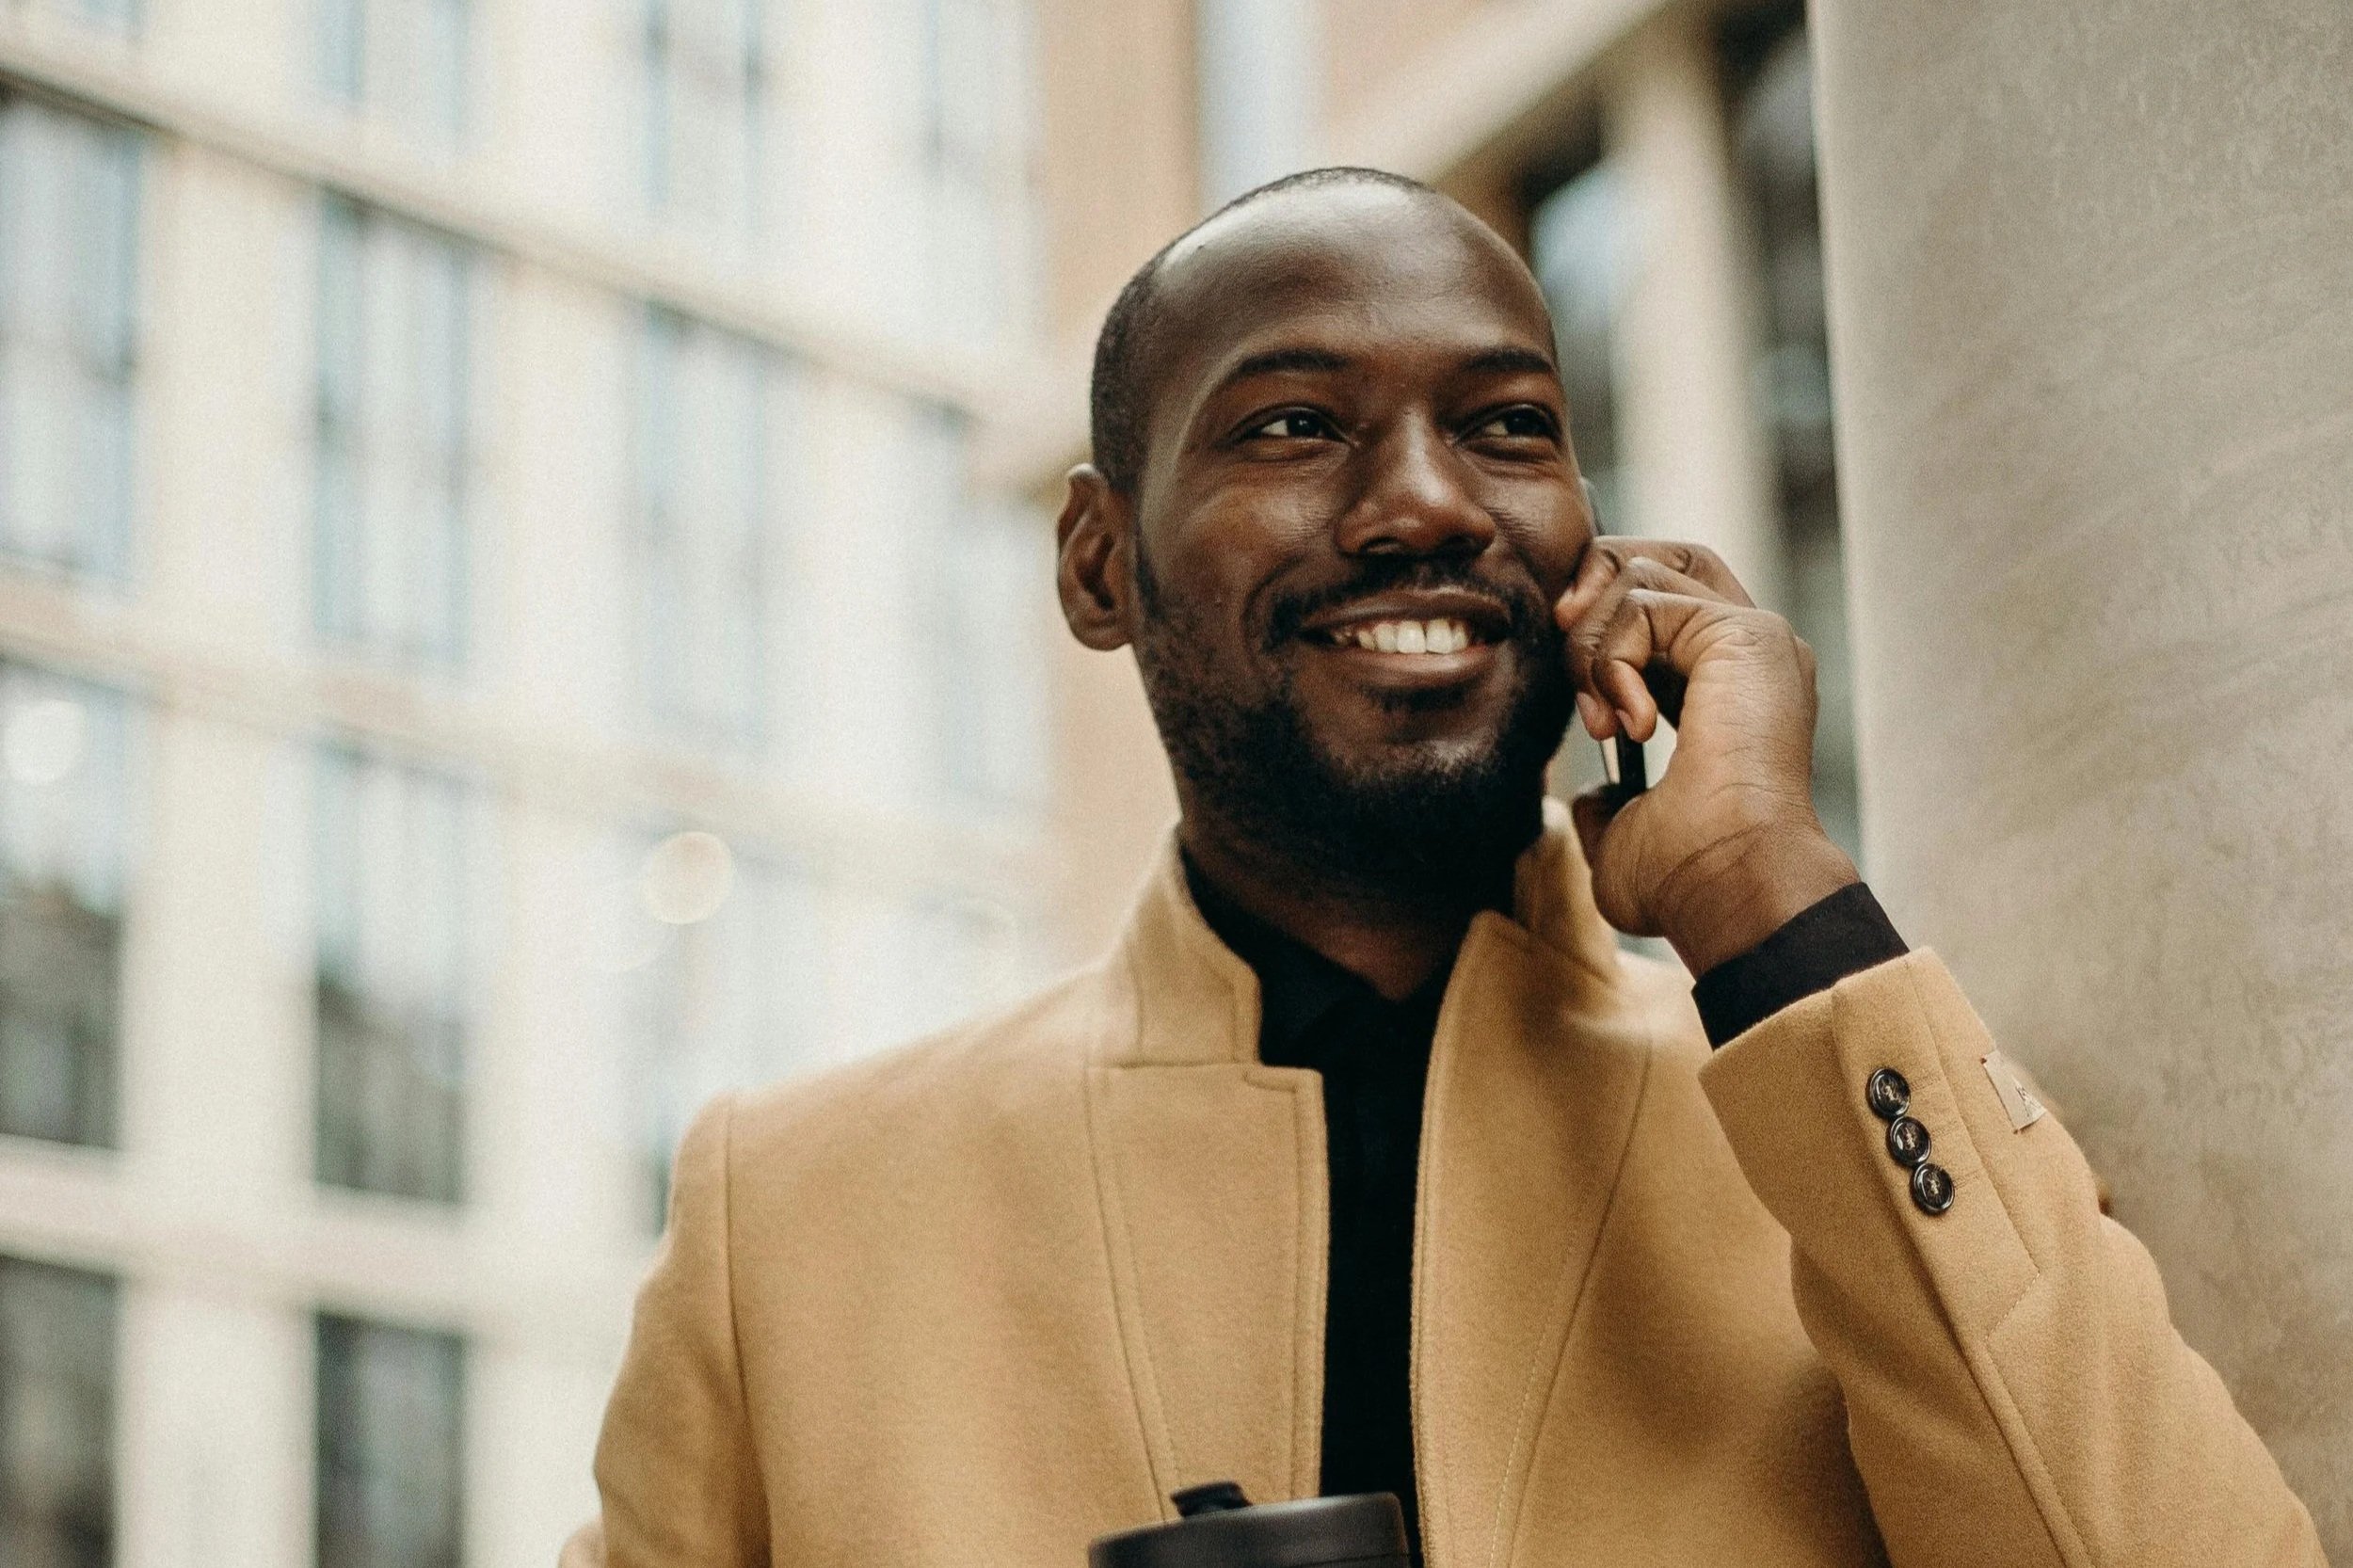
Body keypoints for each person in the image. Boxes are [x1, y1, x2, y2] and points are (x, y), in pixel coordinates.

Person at [568, 168, 2323, 1566]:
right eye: (1292, 424)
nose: (1426, 502)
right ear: (1101, 563)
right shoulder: (785, 1215)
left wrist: (1759, 888)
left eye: (1507, 424)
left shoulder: (1861, 1118)